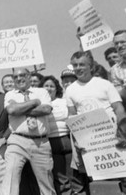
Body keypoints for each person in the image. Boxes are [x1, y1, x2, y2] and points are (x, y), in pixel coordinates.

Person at [65, 51, 126, 195]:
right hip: (89, 143)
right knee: (97, 183)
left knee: (121, 178)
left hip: (112, 138)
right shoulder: (70, 89)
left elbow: (119, 109)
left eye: (82, 64)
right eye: (75, 65)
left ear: (91, 66)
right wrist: (78, 141)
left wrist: (122, 134)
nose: (78, 68)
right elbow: (72, 117)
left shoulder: (105, 84)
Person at [1, 68, 55, 195]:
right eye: (15, 77)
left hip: (40, 142)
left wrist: (20, 107)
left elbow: (46, 109)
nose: (19, 79)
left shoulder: (42, 92)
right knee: (10, 177)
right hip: (17, 141)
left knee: (46, 184)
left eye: (22, 75)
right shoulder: (10, 94)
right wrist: (35, 103)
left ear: (29, 76)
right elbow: (12, 111)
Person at [40, 76, 72, 195]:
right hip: (51, 142)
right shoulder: (40, 104)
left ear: (56, 88)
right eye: (46, 86)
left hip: (67, 139)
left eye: (51, 86)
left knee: (73, 174)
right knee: (60, 177)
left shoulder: (63, 101)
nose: (49, 88)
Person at [110, 30, 126, 102]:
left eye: (122, 42)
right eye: (116, 43)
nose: (119, 45)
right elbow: (120, 95)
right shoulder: (115, 69)